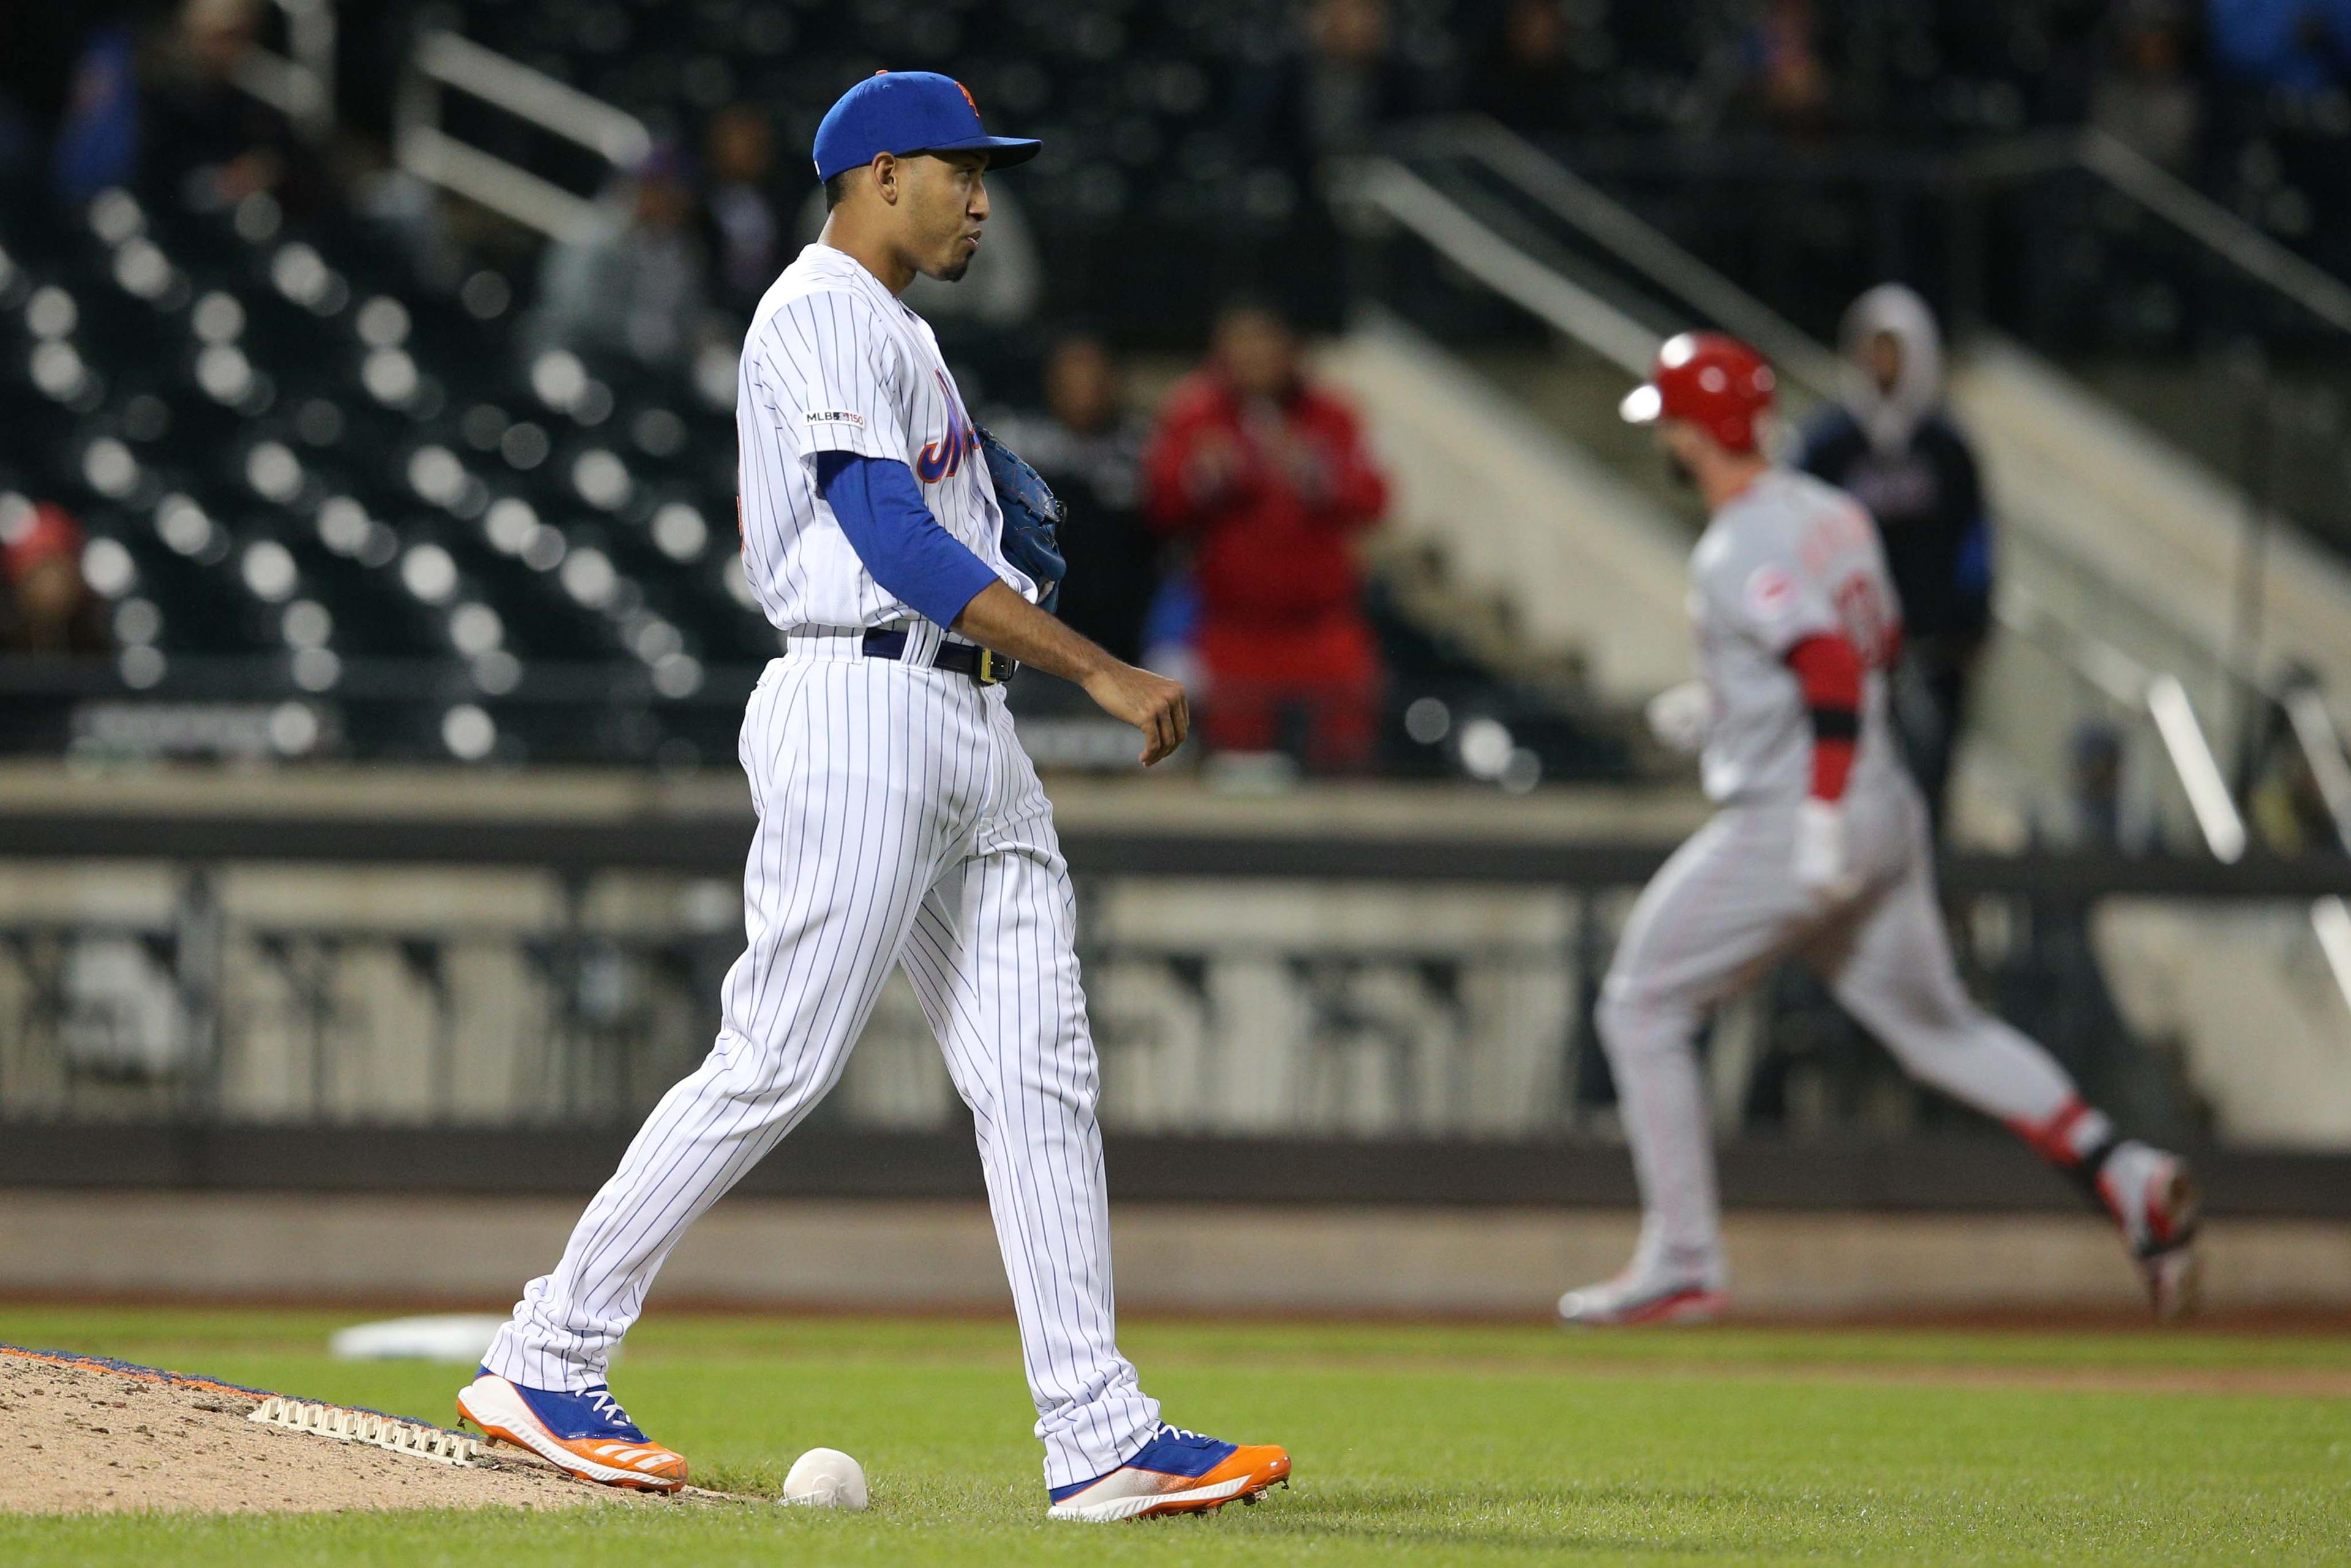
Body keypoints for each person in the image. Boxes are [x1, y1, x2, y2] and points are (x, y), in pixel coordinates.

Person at [456, 72, 1289, 1523]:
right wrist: (1091, 662)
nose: (982, 199)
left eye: (986, 174)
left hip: (964, 715)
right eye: (960, 172)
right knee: (780, 1048)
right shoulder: (823, 302)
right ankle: (547, 1348)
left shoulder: (901, 334)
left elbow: (936, 521)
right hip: (862, 694)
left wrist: (1002, 546)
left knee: (1040, 1073)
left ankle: (1096, 1427)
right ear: (879, 172)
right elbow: (884, 531)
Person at [1562, 332, 2200, 1327]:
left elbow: (1823, 662)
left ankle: (1685, 1258)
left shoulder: (1736, 544)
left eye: (1678, 420)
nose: (1671, 440)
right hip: (1885, 803)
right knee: (1939, 1030)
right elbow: (1879, 645)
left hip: (1801, 818)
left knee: (1640, 1005)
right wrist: (1727, 703)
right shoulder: (1832, 507)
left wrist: (1813, 810)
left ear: (1703, 429)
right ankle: (2123, 1170)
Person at [1142, 302, 1389, 771]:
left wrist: (1320, 475)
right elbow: (1160, 504)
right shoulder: (1196, 417)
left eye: (1264, 342)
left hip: (1322, 629)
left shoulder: (1333, 417)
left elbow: (1376, 499)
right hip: (1236, 630)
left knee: (1347, 759)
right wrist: (1205, 476)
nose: (1253, 356)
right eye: (1241, 344)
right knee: (1239, 768)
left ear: (1290, 349)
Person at [1799, 285, 1989, 834]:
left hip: (1930, 645)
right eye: (1872, 349)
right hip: (1849, 649)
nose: (1881, 364)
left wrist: (1969, 620)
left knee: (1926, 774)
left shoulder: (1946, 446)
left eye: (1893, 349)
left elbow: (1975, 536)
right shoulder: (1828, 445)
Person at [986, 332, 1158, 664]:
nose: (1085, 386)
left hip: (1121, 631)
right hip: (1028, 628)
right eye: (1072, 374)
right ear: (1051, 378)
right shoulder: (1011, 444)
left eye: (1096, 374)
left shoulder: (1143, 446)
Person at [523, 140, 709, 373]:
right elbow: (573, 310)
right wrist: (639, 333)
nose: (673, 203)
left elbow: (689, 315)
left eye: (680, 194)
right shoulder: (592, 232)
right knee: (561, 378)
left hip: (634, 364)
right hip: (570, 348)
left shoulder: (682, 250)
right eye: (660, 191)